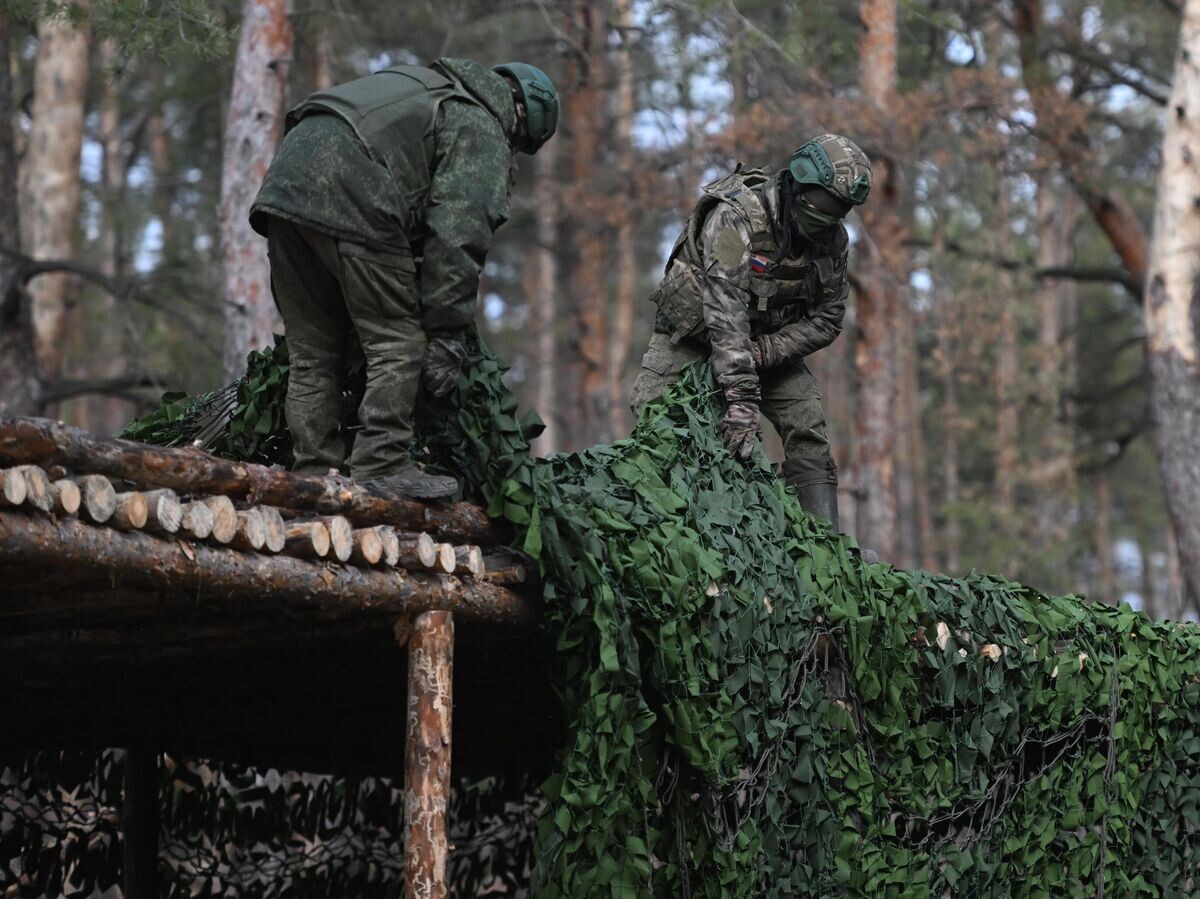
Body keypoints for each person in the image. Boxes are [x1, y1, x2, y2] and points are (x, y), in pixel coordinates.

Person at [249, 58, 559, 498]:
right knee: (397, 340)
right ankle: (381, 463)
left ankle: (313, 473)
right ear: (524, 119)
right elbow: (459, 231)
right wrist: (447, 331)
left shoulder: (421, 84)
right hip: (354, 195)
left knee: (313, 352)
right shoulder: (482, 123)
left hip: (284, 190)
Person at [630, 134, 872, 529]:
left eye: (840, 211)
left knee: (808, 425)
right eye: (824, 207)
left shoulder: (832, 243)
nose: (829, 221)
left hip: (766, 347)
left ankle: (824, 550)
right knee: (657, 427)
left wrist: (767, 353)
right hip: (693, 337)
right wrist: (741, 399)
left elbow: (828, 319)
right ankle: (669, 534)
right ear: (799, 185)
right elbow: (724, 311)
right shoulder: (737, 217)